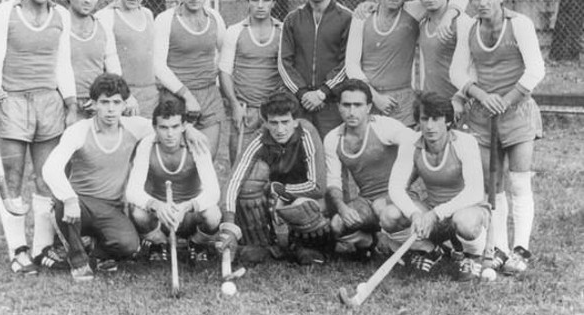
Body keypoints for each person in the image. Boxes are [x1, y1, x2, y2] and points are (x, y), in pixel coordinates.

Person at [0, 0, 77, 274]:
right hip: (14, 103)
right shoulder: (5, 13)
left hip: (49, 103)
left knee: (47, 177)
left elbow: (63, 63)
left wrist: (72, 105)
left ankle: (42, 247)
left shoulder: (61, 15)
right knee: (13, 178)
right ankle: (18, 249)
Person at [450, 0, 545, 274]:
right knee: (493, 186)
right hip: (483, 115)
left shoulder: (520, 24)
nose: (482, 2)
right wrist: (481, 95)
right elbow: (456, 72)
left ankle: (521, 250)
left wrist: (505, 100)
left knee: (519, 181)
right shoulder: (469, 28)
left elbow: (535, 70)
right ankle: (500, 248)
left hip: (517, 112)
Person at [41, 74, 149, 282]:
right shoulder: (79, 130)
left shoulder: (134, 127)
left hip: (111, 206)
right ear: (94, 104)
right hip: (79, 204)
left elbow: (165, 127)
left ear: (124, 105)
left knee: (130, 246)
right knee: (64, 205)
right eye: (104, 102)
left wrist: (190, 131)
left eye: (116, 103)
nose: (111, 109)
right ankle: (78, 258)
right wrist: (69, 199)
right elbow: (50, 168)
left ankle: (97, 252)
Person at [381, 92, 490, 281]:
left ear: (448, 120)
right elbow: (395, 188)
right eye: (425, 119)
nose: (430, 126)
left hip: (466, 211)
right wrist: (414, 214)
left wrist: (436, 214)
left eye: (436, 119)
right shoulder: (411, 143)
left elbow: (475, 191)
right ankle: (429, 250)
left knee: (464, 221)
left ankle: (472, 256)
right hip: (432, 212)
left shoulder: (465, 142)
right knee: (389, 216)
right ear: (418, 121)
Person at [345, 0, 466, 126]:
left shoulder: (413, 10)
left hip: (402, 100)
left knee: (407, 140)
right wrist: (374, 96)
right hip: (367, 97)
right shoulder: (363, 15)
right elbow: (351, 65)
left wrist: (449, 16)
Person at [217, 91, 330, 265]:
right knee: (249, 182)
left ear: (295, 121)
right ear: (265, 122)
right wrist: (229, 225)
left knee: (303, 206)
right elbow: (234, 180)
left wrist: (278, 192)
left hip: (305, 194)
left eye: (285, 122)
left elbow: (318, 186)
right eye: (274, 123)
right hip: (275, 193)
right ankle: (263, 243)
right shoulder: (260, 137)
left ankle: (304, 244)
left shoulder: (306, 132)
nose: (280, 130)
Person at [324, 79, 415, 257]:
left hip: (398, 198)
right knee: (336, 224)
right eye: (346, 105)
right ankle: (367, 241)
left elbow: (414, 144)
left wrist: (397, 191)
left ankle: (418, 248)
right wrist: (342, 207)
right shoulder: (333, 138)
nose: (352, 112)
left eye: (358, 105)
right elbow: (333, 181)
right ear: (338, 107)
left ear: (369, 107)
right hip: (367, 200)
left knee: (386, 211)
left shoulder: (384, 126)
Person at [126, 96, 221, 263]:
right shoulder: (147, 145)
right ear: (154, 127)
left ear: (184, 126)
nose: (170, 134)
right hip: (160, 215)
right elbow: (132, 191)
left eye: (175, 127)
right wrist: (156, 205)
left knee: (213, 214)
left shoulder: (196, 145)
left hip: (189, 215)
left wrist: (187, 206)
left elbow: (213, 192)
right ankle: (160, 242)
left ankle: (197, 243)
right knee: (138, 213)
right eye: (163, 127)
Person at [154, 0, 228, 157]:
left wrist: (217, 80)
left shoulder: (215, 18)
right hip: (176, 96)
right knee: (178, 162)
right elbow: (158, 66)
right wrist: (187, 96)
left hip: (209, 94)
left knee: (207, 159)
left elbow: (226, 53)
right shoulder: (165, 19)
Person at [278, 0, 351, 138]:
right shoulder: (292, 19)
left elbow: (348, 62)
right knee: (299, 148)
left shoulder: (346, 18)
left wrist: (323, 92)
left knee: (330, 149)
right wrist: (302, 93)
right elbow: (284, 62)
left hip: (331, 102)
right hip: (299, 102)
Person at [219, 0, 284, 164]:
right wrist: (234, 105)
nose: (260, 5)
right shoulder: (235, 31)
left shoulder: (283, 31)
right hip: (244, 110)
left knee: (276, 167)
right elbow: (224, 71)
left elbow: (288, 71)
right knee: (240, 165)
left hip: (274, 110)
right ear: (248, 1)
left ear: (274, 2)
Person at [96, 0, 169, 118]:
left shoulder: (148, 14)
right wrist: (125, 95)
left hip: (151, 93)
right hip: (123, 95)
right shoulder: (107, 15)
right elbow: (110, 59)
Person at [413, 0, 475, 121]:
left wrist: (461, 98)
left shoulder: (462, 22)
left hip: (458, 104)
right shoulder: (422, 24)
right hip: (432, 103)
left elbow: (475, 65)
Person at [65, 0, 121, 119]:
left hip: (96, 105)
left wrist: (101, 97)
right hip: (63, 105)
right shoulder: (58, 24)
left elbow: (113, 68)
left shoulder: (103, 26)